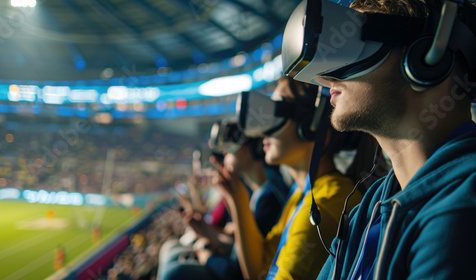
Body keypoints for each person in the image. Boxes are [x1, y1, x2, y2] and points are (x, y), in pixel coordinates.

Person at [281, 0, 476, 279]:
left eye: (351, 49)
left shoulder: (462, 205)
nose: (323, 78)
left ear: (429, 56)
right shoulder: (372, 204)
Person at [211, 77, 366, 280]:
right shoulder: (300, 193)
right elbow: (260, 269)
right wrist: (238, 199)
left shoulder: (326, 203)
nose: (262, 129)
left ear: (312, 123)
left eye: (277, 110)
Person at [158, 120, 290, 280]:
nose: (224, 151)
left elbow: (242, 272)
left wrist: (208, 256)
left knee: (173, 272)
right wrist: (211, 237)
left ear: (252, 148)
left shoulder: (268, 200)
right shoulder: (259, 194)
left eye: (231, 143)